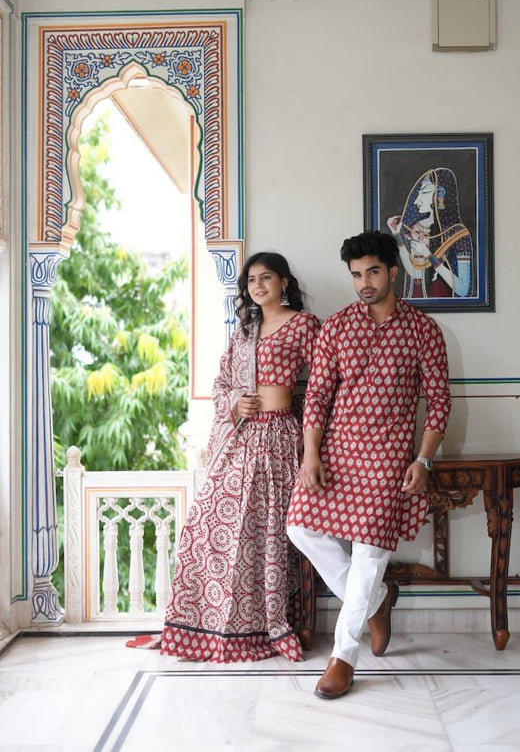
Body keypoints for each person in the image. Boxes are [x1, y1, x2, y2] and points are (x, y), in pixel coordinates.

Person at [287, 230, 451, 699]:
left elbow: (439, 402)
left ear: (393, 271)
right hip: (336, 450)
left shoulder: (423, 330)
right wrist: (312, 453)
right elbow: (316, 394)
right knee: (300, 527)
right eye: (357, 274)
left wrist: (423, 458)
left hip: (388, 456)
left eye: (372, 271)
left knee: (367, 555)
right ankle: (378, 601)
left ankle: (343, 658)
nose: (364, 282)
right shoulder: (337, 327)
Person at [152, 252, 321, 663]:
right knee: (210, 527)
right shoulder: (246, 330)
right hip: (240, 439)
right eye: (251, 280)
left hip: (280, 439)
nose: (258, 286)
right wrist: (234, 402)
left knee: (267, 533)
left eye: (266, 278)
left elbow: (323, 382)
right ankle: (207, 626)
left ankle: (266, 625)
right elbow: (223, 380)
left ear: (284, 282)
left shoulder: (304, 325)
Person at [387, 167, 473, 299]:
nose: (417, 201)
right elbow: (415, 273)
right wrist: (397, 234)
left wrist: (429, 255)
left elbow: (463, 291)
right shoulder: (421, 226)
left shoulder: (459, 234)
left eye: (425, 192)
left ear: (439, 195)